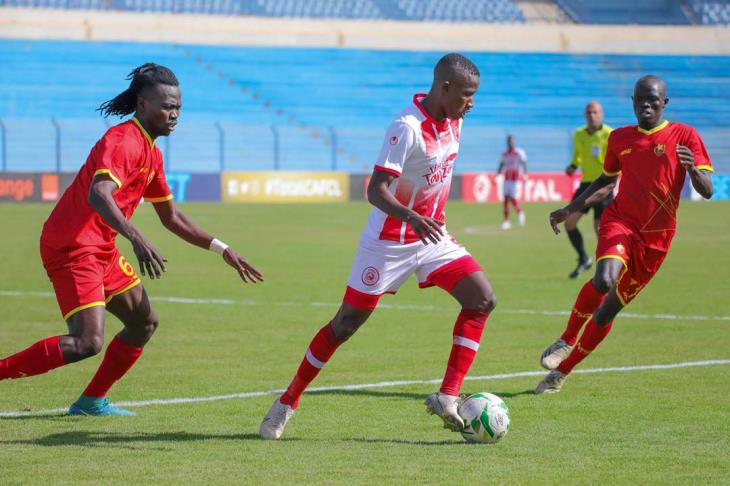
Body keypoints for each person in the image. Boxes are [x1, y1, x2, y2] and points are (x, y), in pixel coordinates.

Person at [0, 64, 263, 415]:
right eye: (167, 106)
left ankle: (91, 401)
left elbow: (172, 218)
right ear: (143, 104)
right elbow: (99, 194)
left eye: (178, 107)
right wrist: (137, 238)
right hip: (73, 245)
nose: (174, 114)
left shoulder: (152, 153)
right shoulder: (123, 140)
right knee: (86, 341)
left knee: (144, 322)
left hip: (101, 247)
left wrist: (221, 248)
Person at [260, 53, 495, 439]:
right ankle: (287, 401)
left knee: (482, 299)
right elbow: (375, 190)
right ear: (445, 87)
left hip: (432, 238)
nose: (471, 103)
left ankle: (448, 396)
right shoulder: (406, 128)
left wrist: (423, 221)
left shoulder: (455, 121)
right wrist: (411, 217)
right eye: (466, 94)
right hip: (388, 243)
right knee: (345, 325)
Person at [536, 75, 713, 393]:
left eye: (653, 100)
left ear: (664, 103)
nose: (646, 105)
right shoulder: (620, 138)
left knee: (608, 311)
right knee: (604, 279)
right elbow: (606, 181)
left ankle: (562, 371)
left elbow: (708, 190)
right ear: (632, 102)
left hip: (656, 240)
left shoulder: (685, 135)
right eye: (640, 99)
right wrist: (570, 209)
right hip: (620, 222)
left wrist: (693, 170)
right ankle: (566, 339)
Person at [564, 101, 613, 278]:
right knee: (569, 223)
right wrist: (572, 166)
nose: (592, 116)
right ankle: (584, 259)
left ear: (602, 115)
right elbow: (577, 156)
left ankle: (607, 268)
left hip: (604, 184)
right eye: (589, 113)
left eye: (595, 112)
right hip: (586, 185)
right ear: (585, 115)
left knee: (600, 230)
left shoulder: (609, 134)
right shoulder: (579, 134)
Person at [497, 134, 527, 229]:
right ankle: (506, 221)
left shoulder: (519, 153)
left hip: (515, 180)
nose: (511, 143)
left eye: (512, 141)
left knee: (513, 198)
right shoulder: (505, 154)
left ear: (514, 142)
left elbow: (524, 163)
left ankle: (520, 212)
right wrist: (498, 174)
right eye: (509, 141)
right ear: (507, 142)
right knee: (506, 199)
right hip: (506, 179)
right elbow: (501, 164)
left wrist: (525, 175)